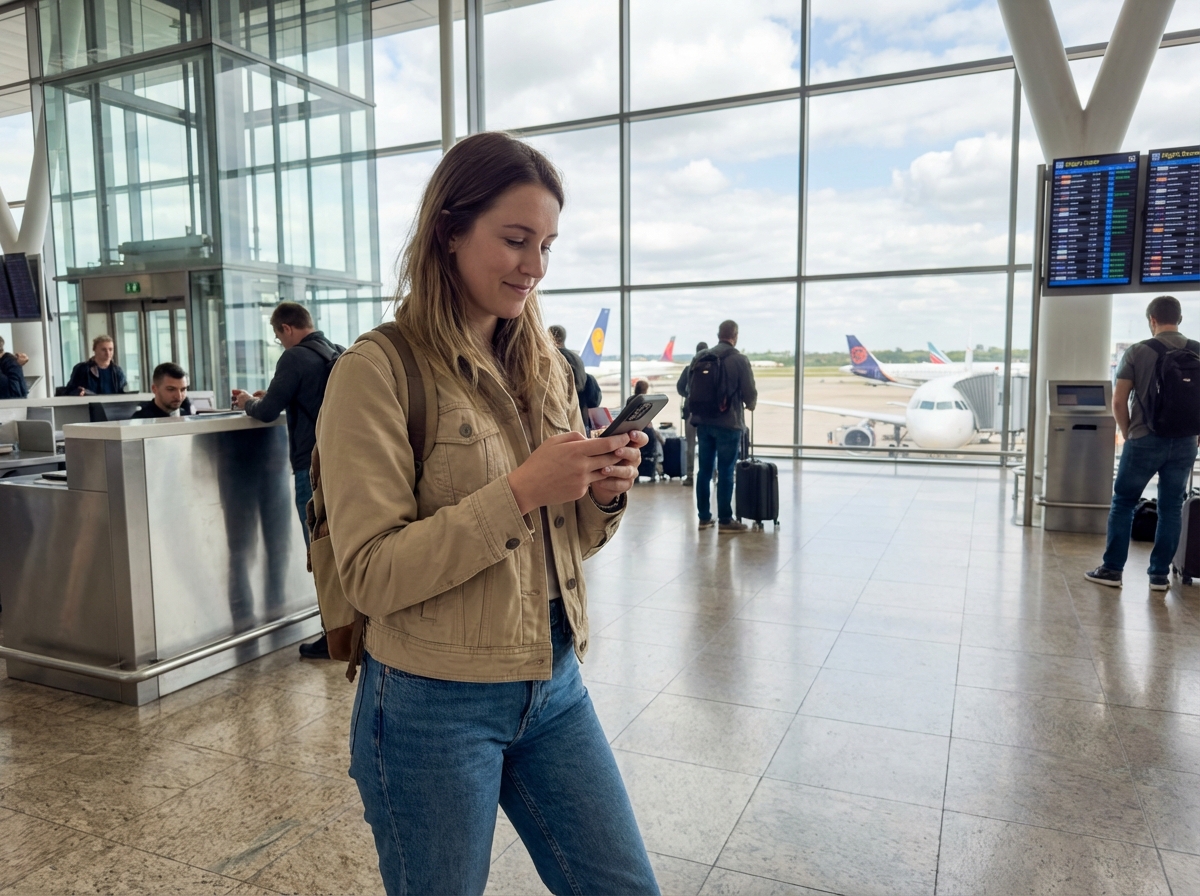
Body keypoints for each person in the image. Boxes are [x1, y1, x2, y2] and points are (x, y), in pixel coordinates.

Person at [315, 131, 658, 895]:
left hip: (554, 681)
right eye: (514, 239)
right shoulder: (375, 371)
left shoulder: (543, 366)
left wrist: (602, 493)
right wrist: (521, 491)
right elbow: (370, 575)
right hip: (430, 705)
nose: (535, 266)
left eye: (547, 245)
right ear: (449, 231)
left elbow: (567, 542)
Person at [232, 301, 343, 659]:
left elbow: (266, 412)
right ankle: (350, 629)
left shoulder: (294, 357)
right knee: (340, 549)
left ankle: (331, 636)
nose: (280, 342)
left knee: (319, 551)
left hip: (310, 468)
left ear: (286, 328)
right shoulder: (335, 352)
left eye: (278, 336)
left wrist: (247, 402)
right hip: (340, 465)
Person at [1088, 295, 1200, 591]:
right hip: (1186, 441)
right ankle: (1159, 576)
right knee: (1171, 507)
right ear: (1179, 319)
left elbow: (1118, 400)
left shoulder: (1137, 351)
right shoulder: (1198, 351)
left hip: (1144, 438)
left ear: (1152, 320)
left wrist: (1128, 432)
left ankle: (1112, 570)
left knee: (1123, 502)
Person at [691, 320, 757, 533]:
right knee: (726, 471)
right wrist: (751, 404)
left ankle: (704, 518)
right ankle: (726, 520)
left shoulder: (701, 357)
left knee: (704, 471)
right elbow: (749, 393)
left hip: (703, 422)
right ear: (735, 335)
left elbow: (687, 388)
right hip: (729, 423)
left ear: (718, 334)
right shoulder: (739, 360)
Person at [676, 340, 708, 485]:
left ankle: (690, 475)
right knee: (707, 445)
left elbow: (680, 387)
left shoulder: (689, 369)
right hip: (706, 414)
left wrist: (689, 396)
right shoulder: (711, 370)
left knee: (690, 445)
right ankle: (709, 475)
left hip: (690, 411)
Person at [549, 323, 586, 394]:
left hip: (565, 398)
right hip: (580, 399)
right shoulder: (576, 357)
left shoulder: (555, 357)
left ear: (551, 338)